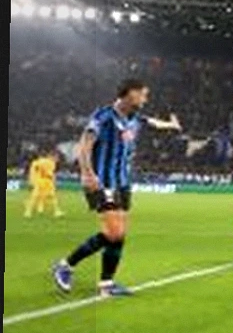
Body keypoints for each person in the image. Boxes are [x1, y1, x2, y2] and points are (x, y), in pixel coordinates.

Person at [51, 79, 183, 296]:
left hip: (122, 182)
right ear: (131, 94)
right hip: (102, 181)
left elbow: (153, 122)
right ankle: (65, 265)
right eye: (143, 94)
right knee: (114, 232)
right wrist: (87, 173)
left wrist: (171, 125)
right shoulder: (103, 116)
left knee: (119, 235)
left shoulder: (135, 118)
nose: (145, 99)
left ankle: (106, 284)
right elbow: (85, 145)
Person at [24, 148, 65, 219]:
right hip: (46, 181)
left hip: (39, 180)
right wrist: (53, 180)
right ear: (52, 156)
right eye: (56, 157)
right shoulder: (51, 163)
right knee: (51, 196)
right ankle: (56, 211)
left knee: (36, 196)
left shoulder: (38, 162)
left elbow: (33, 171)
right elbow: (50, 173)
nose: (57, 159)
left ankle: (29, 211)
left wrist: (31, 180)